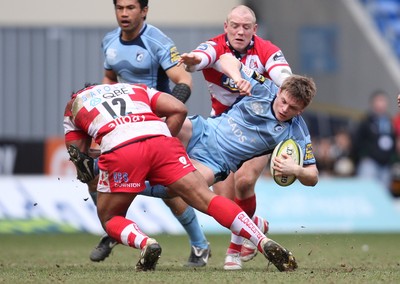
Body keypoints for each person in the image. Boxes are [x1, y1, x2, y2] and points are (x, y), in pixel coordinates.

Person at [64, 82, 298, 272]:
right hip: (162, 140)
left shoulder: (74, 105)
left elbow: (79, 158)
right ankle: (260, 239)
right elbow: (179, 108)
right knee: (206, 198)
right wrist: (160, 140)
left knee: (111, 217)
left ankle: (147, 243)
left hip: (120, 150)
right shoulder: (132, 88)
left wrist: (98, 166)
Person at [87, 0, 210, 267]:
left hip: (155, 125)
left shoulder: (158, 41)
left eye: (131, 8)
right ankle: (113, 228)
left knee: (169, 190)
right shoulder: (109, 41)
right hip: (123, 126)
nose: (124, 13)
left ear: (144, 11)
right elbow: (109, 79)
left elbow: (184, 80)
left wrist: (168, 118)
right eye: (120, 8)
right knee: (93, 174)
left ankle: (200, 246)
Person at [178, 5, 293, 270]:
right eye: (235, 26)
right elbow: (200, 57)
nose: (240, 32)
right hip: (222, 129)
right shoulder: (215, 46)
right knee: (224, 199)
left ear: (254, 29)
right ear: (226, 26)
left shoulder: (267, 50)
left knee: (244, 182)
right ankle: (256, 224)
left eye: (246, 27)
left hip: (258, 129)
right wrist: (193, 61)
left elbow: (284, 76)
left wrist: (291, 85)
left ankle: (233, 251)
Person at [353, 90, 396, 190]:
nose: (381, 104)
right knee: (367, 190)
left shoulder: (389, 122)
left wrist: (392, 159)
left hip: (386, 165)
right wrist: (363, 156)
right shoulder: (366, 122)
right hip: (370, 163)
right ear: (373, 103)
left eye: (383, 101)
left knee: (383, 193)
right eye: (379, 101)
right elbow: (357, 141)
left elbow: (393, 141)